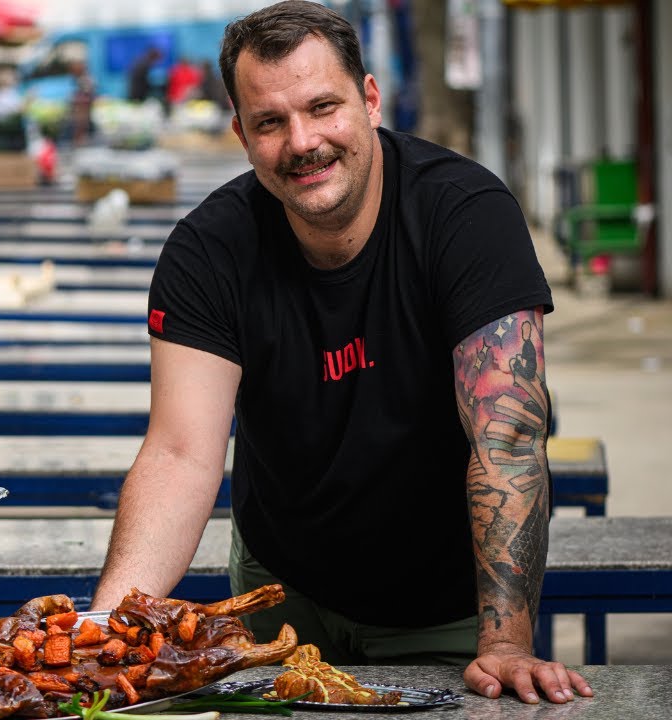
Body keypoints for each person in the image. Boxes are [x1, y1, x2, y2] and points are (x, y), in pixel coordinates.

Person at [90, 0, 592, 706]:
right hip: (281, 596)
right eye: (270, 122)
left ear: (370, 99)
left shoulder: (466, 214)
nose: (303, 142)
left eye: (323, 106)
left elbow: (507, 438)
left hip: (448, 606)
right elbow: (180, 453)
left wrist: (506, 641)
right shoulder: (209, 250)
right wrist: (103, 627)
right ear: (240, 132)